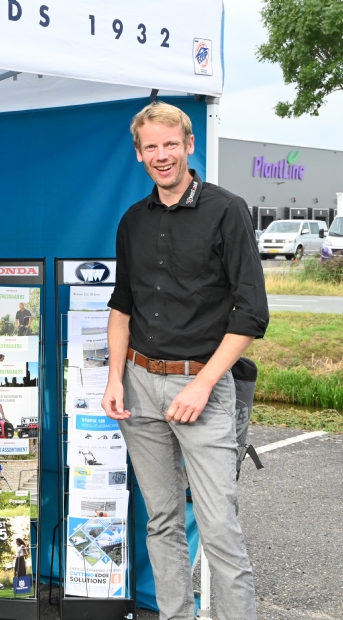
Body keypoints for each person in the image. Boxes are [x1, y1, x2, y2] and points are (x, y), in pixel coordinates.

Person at [101, 102, 268, 620]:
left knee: (219, 528)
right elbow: (121, 308)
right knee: (162, 521)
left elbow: (251, 315)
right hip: (140, 385)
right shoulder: (132, 221)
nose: (162, 155)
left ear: (189, 145)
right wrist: (114, 378)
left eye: (170, 144)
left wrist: (203, 385)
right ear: (138, 154)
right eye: (151, 147)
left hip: (204, 386)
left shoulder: (227, 210)